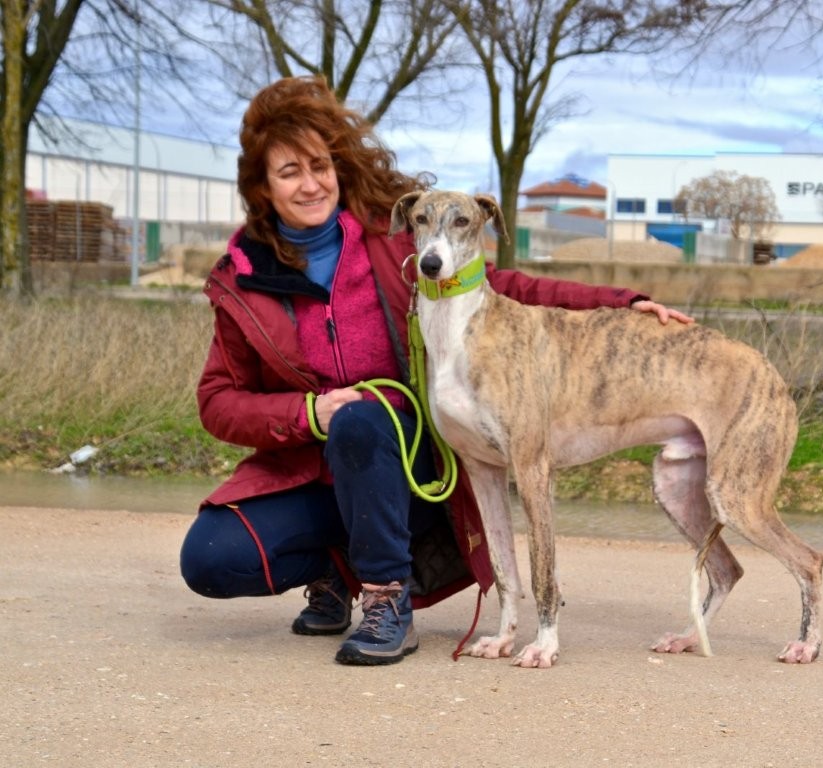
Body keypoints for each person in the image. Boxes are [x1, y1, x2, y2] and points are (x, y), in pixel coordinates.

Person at [179, 75, 693, 667]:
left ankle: (387, 601)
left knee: (365, 423)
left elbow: (512, 287)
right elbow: (218, 400)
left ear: (338, 167)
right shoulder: (242, 279)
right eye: (289, 171)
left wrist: (623, 301)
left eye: (319, 165)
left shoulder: (396, 239)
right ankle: (335, 569)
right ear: (263, 187)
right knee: (210, 558)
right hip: (311, 468)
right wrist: (307, 413)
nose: (310, 183)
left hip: (412, 462)